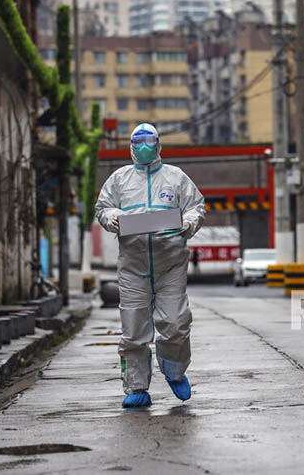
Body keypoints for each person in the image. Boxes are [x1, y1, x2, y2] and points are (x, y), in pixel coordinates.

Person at [96, 123, 206, 407]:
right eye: (138, 141)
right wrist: (114, 218)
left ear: (158, 145)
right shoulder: (119, 180)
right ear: (130, 146)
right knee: (133, 329)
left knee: (175, 323)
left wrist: (188, 223)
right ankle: (136, 387)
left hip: (171, 264)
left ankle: (174, 370)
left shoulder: (175, 178)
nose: (144, 146)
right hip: (133, 267)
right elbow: (103, 208)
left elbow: (196, 206)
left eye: (149, 140)